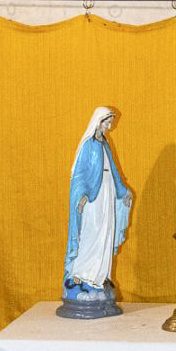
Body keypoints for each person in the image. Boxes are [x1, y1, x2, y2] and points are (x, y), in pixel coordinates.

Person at [57, 106, 133, 319]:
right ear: (97, 122)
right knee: (91, 234)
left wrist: (122, 191)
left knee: (105, 234)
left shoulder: (105, 144)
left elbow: (114, 170)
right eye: (106, 122)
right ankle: (82, 275)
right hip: (92, 197)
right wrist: (82, 194)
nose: (109, 127)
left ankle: (99, 278)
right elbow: (79, 174)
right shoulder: (88, 145)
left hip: (107, 194)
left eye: (110, 123)